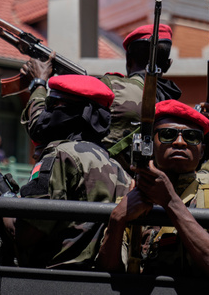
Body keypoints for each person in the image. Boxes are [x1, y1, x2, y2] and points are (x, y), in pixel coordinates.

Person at [97, 99, 209, 281]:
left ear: (202, 150)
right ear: (150, 145)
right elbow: (107, 273)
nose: (180, 142)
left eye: (191, 136)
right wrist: (117, 220)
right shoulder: (129, 199)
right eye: (167, 134)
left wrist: (170, 201)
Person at [14, 74, 132, 269]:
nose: (47, 112)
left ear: (76, 112)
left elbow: (27, 233)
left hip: (53, 279)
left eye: (53, 104)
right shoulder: (118, 168)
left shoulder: (61, 154)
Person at [99, 24, 182, 173]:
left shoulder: (110, 87)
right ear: (168, 65)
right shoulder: (176, 108)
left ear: (128, 60)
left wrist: (41, 84)